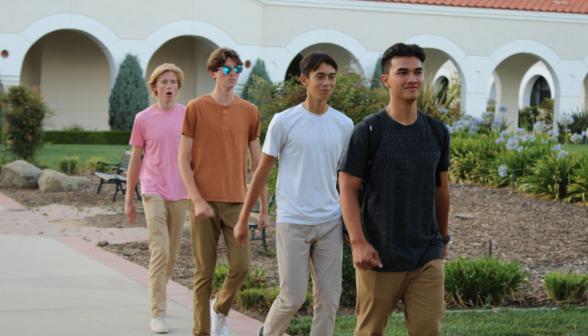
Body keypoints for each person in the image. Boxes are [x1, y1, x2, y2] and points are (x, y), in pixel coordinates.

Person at [234, 52, 354, 336]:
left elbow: (347, 180)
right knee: (293, 297)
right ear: (305, 80)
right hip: (293, 221)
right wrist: (244, 218)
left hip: (330, 222)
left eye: (332, 76)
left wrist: (351, 222)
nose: (327, 82)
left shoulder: (344, 125)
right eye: (320, 76)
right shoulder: (284, 121)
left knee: (329, 300)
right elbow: (261, 172)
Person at [338, 43, 451, 336]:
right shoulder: (368, 131)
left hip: (425, 253)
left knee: (428, 330)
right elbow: (347, 189)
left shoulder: (437, 131)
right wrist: (358, 241)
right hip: (379, 254)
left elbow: (442, 190)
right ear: (386, 80)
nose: (412, 79)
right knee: (370, 332)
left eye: (417, 72)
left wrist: (442, 237)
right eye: (402, 72)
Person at [178, 48, 269, 336]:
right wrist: (195, 198)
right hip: (202, 201)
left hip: (236, 204)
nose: (233, 75)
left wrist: (264, 208)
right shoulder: (195, 107)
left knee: (241, 266)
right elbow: (183, 158)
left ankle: (220, 309)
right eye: (226, 70)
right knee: (204, 272)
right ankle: (201, 332)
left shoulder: (249, 111)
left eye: (237, 69)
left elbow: (258, 164)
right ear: (213, 73)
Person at [125, 63, 189, 334]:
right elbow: (135, 160)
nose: (169, 87)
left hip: (181, 191)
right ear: (154, 87)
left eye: (173, 82)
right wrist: (129, 198)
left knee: (172, 254)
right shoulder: (143, 118)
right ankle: (158, 312)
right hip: (152, 189)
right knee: (159, 250)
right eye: (164, 82)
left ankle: (159, 296)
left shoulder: (189, 116)